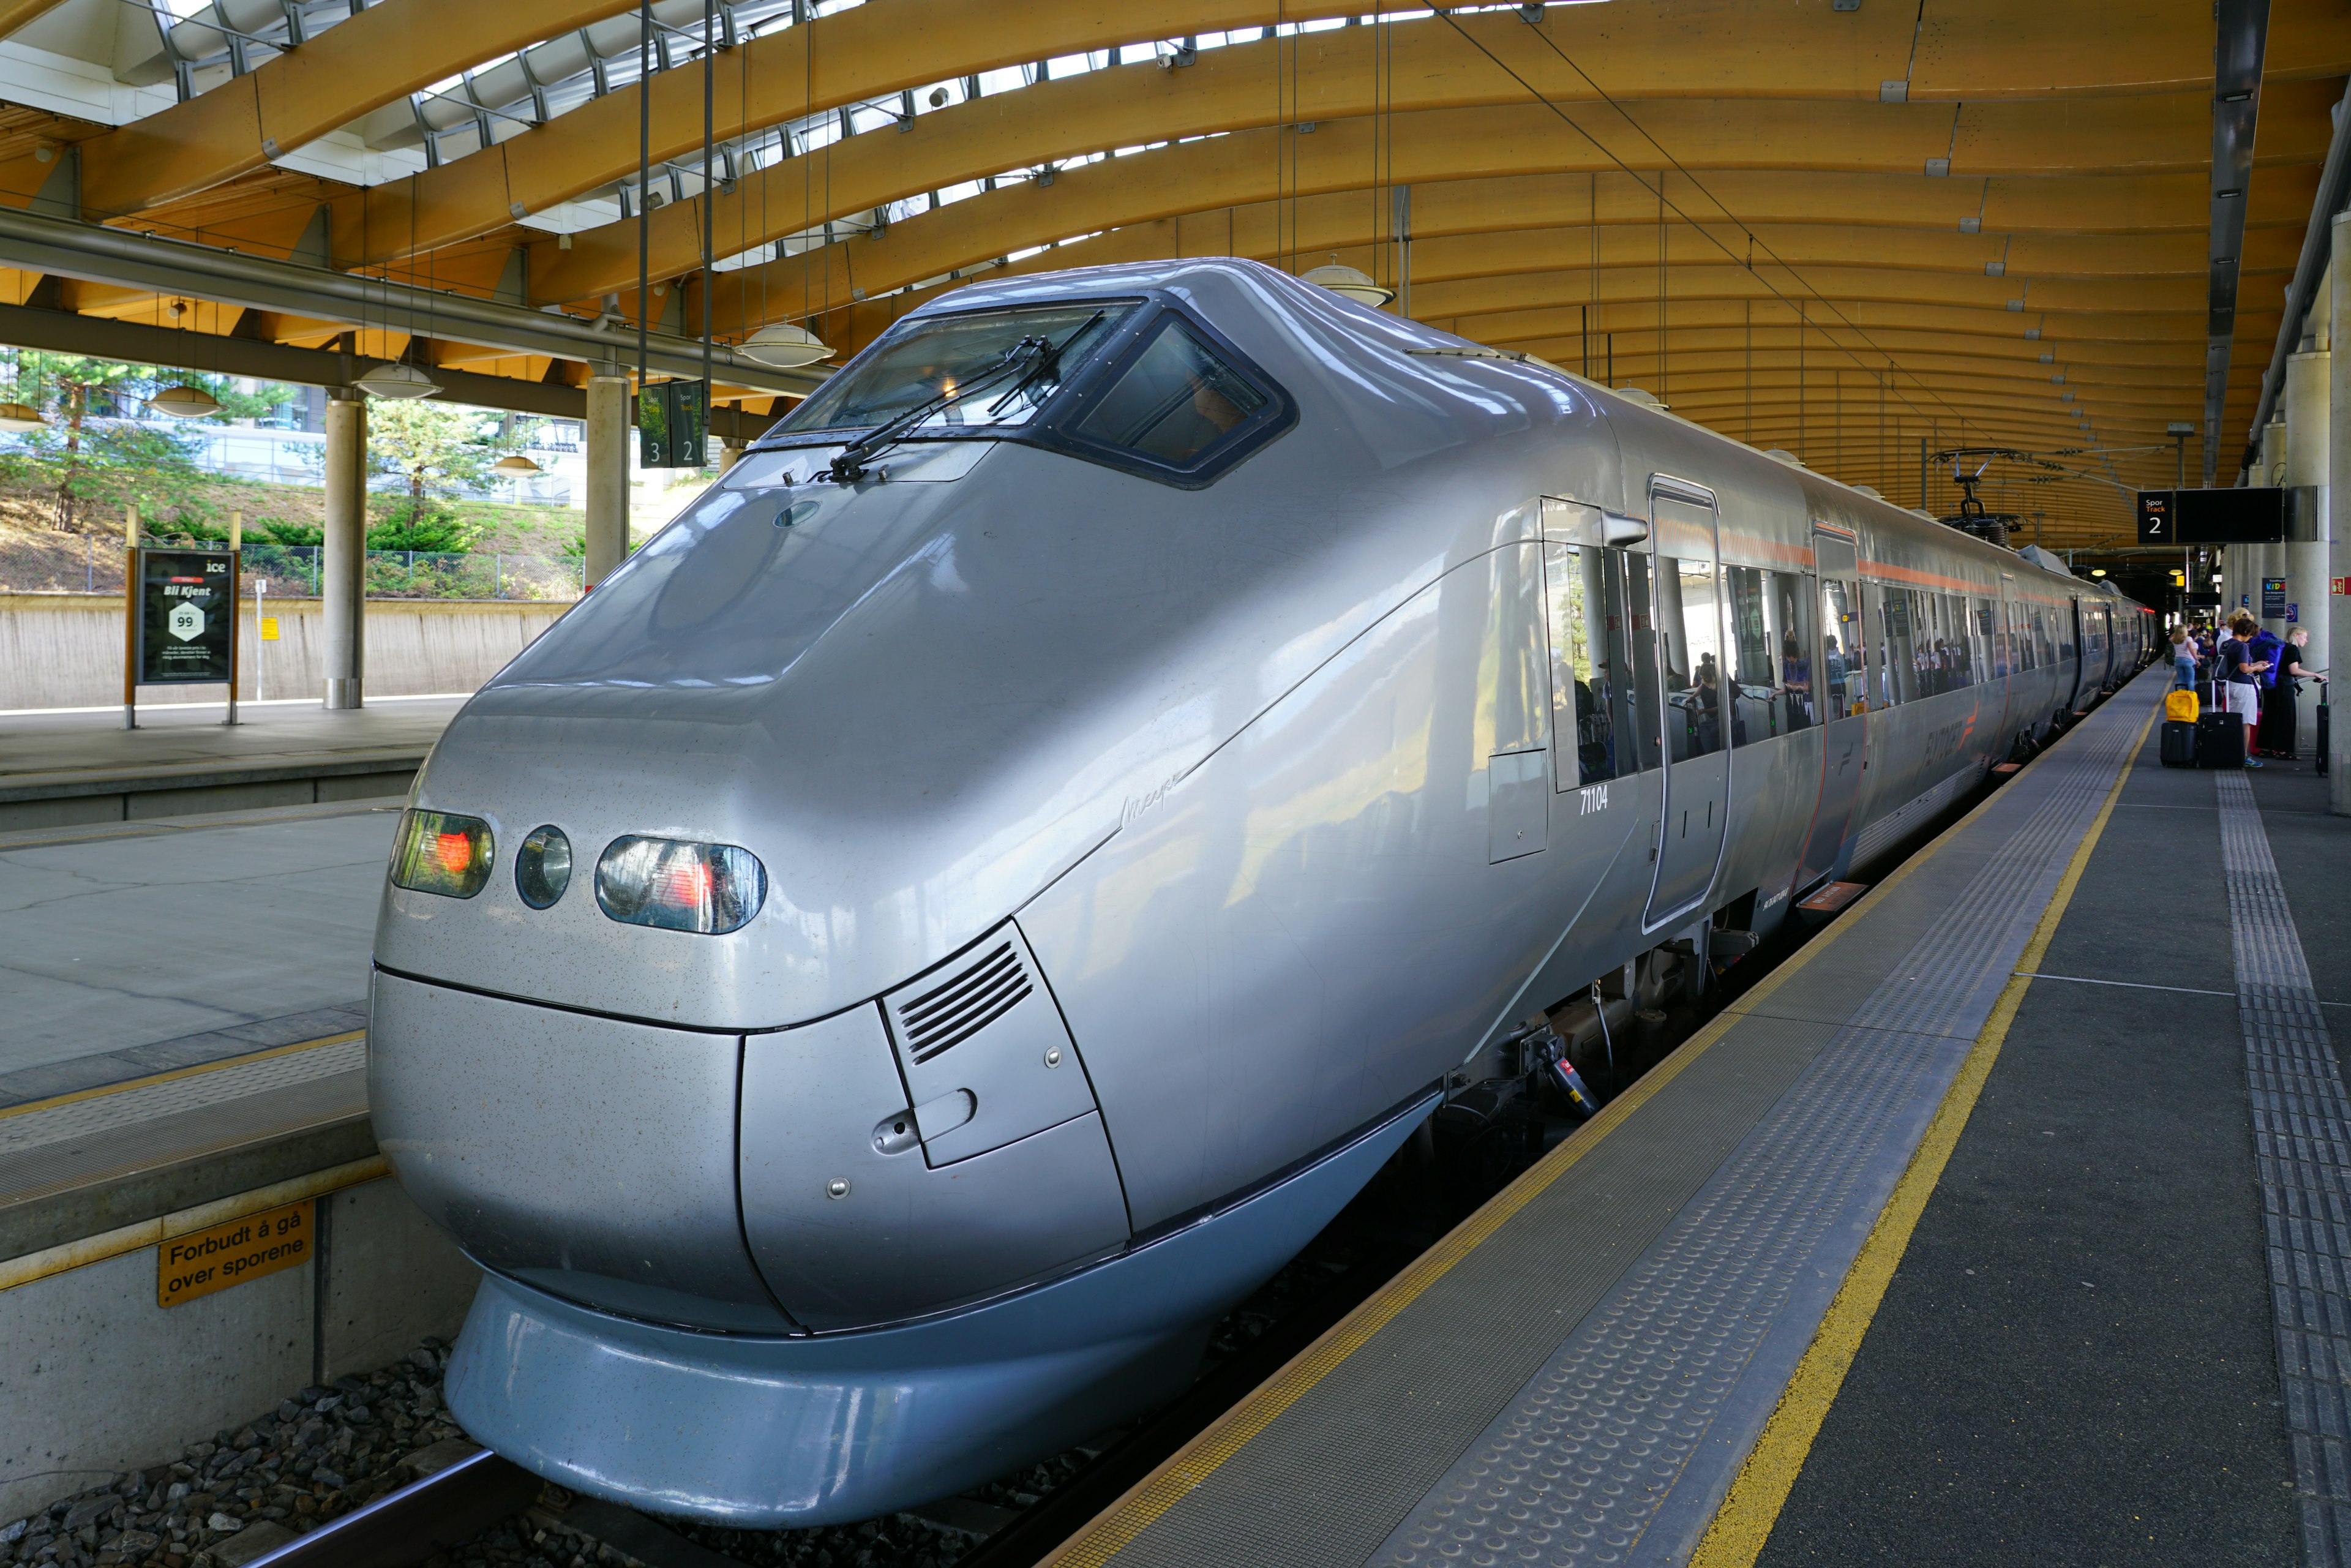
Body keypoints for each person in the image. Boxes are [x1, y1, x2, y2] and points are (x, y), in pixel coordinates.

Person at [2259, 626, 2323, 759]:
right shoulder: (2292, 649)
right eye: (2304, 637)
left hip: (2271, 686)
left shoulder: (2280, 647)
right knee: (2286, 717)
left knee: (2270, 716)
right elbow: (2294, 670)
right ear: (2295, 635)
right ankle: (2284, 751)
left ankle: (2266, 749)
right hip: (2284, 687)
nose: (2306, 640)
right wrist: (2315, 674)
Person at [2218, 616, 2271, 767]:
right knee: (2245, 723)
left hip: (2231, 685)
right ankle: (2243, 756)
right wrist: (2257, 668)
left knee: (2234, 721)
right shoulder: (2242, 646)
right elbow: (2244, 669)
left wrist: (2254, 663)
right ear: (2246, 631)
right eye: (2251, 634)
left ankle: (2231, 753)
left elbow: (2236, 664)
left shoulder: (2227, 643)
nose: (2251, 638)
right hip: (2243, 687)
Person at [2169, 625, 2196, 691]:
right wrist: (2196, 659)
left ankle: (2180, 696)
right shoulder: (2188, 639)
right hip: (2188, 661)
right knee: (2190, 680)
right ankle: (2191, 696)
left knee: (2181, 679)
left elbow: (2170, 638)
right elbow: (2191, 650)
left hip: (2178, 661)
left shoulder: (2174, 639)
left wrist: (2177, 632)